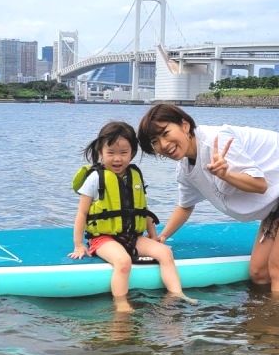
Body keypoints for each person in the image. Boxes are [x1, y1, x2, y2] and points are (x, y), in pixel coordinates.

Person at [136, 104, 279, 294]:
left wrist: (226, 174)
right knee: (259, 273)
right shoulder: (184, 168)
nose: (163, 144)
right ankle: (261, 326)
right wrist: (162, 237)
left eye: (165, 133)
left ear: (184, 125)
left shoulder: (217, 141)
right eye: (155, 142)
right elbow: (185, 206)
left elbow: (259, 185)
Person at [68, 121, 196, 312]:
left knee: (165, 253)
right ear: (100, 152)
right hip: (103, 239)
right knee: (123, 261)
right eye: (111, 153)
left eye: (123, 153)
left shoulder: (134, 175)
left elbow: (143, 211)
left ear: (133, 153)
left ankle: (176, 294)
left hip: (133, 237)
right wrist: (79, 244)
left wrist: (154, 237)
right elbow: (82, 213)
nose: (117, 159)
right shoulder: (95, 178)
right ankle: (121, 305)